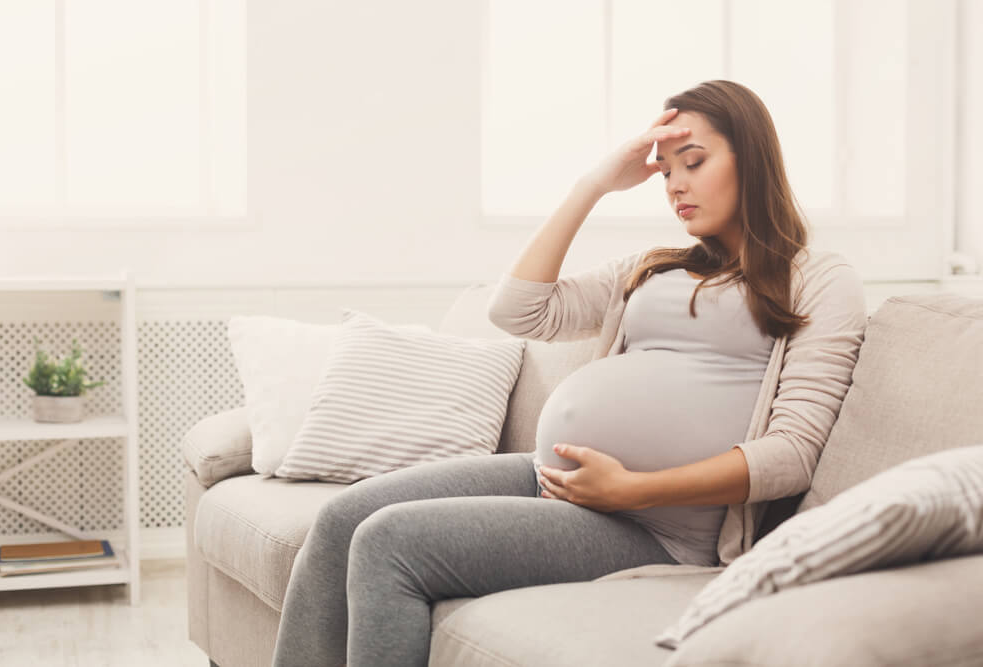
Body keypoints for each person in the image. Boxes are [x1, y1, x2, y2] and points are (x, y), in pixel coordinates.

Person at [271, 79, 868, 667]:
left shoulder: (816, 276)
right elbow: (517, 310)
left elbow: (791, 453)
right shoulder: (653, 267)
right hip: (551, 482)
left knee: (389, 543)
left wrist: (633, 489)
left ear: (754, 158)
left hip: (653, 527)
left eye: (693, 161)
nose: (675, 185)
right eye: (664, 172)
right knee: (340, 520)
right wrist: (594, 185)